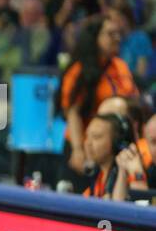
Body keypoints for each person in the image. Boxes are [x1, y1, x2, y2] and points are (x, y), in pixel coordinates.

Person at [57, 13, 136, 175]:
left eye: (118, 33)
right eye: (110, 34)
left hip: (115, 149)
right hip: (86, 146)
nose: (117, 38)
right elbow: (73, 113)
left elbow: (133, 103)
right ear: (95, 38)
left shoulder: (121, 66)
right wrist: (78, 150)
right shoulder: (79, 70)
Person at [82, 112, 149, 201]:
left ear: (117, 142)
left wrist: (134, 172)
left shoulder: (130, 174)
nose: (88, 143)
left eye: (96, 137)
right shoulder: (96, 177)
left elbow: (141, 205)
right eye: (87, 136)